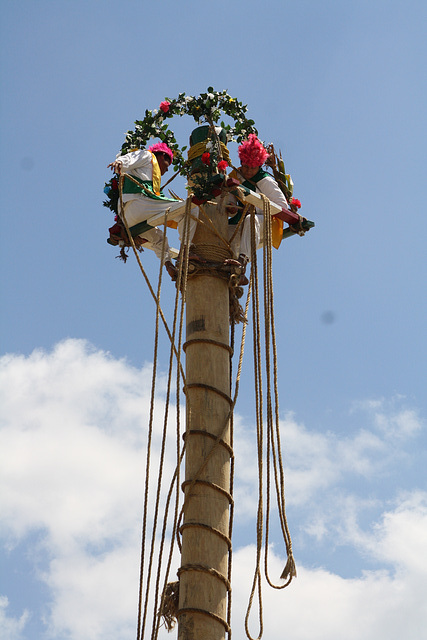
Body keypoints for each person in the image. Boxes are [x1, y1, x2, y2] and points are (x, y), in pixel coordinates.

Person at [108, 143, 183, 279]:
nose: (166, 171)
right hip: (139, 204)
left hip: (128, 218)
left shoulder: (150, 174)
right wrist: (119, 162)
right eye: (167, 165)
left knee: (158, 238)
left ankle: (168, 265)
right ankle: (189, 250)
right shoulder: (148, 155)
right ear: (162, 156)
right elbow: (131, 158)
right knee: (186, 209)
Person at [228, 134, 290, 271]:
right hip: (241, 220)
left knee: (251, 220)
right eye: (246, 166)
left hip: (266, 220)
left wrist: (257, 207)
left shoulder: (265, 180)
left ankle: (242, 261)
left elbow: (282, 206)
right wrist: (232, 208)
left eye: (253, 167)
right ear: (241, 162)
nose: (249, 171)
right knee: (225, 231)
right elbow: (231, 200)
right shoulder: (234, 176)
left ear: (259, 166)